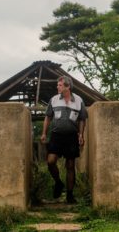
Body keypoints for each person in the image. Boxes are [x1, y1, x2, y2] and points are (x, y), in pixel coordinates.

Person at [40, 75, 88, 204]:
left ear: (67, 86)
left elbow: (82, 119)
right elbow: (48, 117)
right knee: (50, 161)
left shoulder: (78, 100)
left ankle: (70, 195)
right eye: (58, 85)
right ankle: (58, 183)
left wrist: (81, 134)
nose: (57, 87)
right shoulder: (54, 100)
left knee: (70, 165)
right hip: (56, 135)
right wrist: (44, 133)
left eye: (60, 85)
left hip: (72, 136)